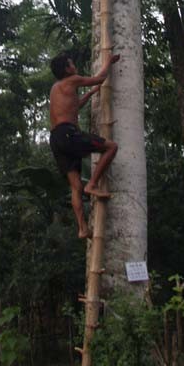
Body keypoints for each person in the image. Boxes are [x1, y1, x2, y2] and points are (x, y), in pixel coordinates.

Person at [49, 51, 119, 239]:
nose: (74, 66)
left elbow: (73, 107)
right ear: (67, 68)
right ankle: (93, 184)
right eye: (72, 63)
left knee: (75, 187)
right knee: (111, 147)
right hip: (68, 134)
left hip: (56, 139)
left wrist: (88, 94)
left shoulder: (56, 88)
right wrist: (108, 61)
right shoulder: (73, 79)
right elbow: (100, 78)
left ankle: (82, 228)